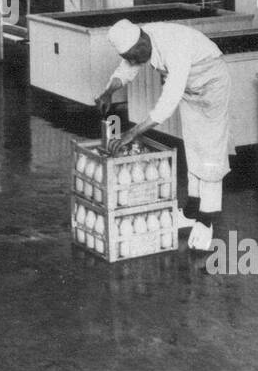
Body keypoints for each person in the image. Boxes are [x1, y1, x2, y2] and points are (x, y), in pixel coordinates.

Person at [94, 19, 232, 252]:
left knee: (210, 151)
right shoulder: (140, 43)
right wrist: (109, 91)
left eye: (135, 56)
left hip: (212, 85)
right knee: (194, 146)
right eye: (129, 57)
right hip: (191, 89)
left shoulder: (173, 46)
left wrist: (132, 133)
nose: (134, 62)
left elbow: (167, 102)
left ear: (142, 41)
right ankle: (191, 211)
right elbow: (125, 70)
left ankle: (206, 222)